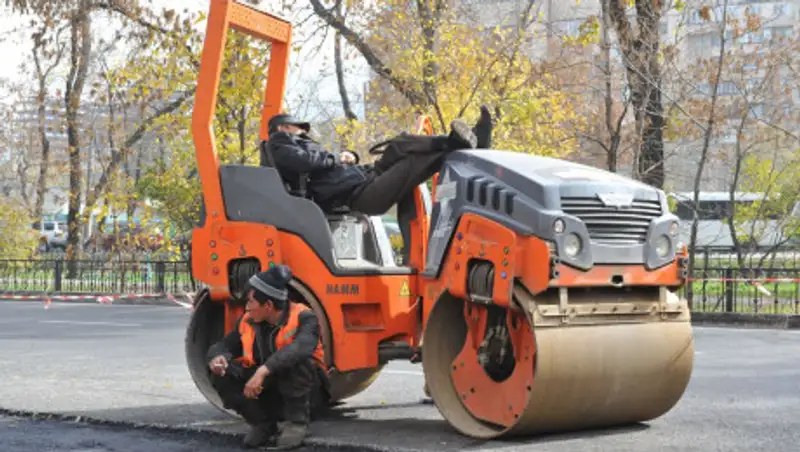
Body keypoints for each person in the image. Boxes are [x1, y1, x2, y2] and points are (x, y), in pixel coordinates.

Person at [260, 107, 493, 216]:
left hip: (365, 176)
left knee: (400, 143)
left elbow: (322, 163)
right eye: (297, 126)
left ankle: (457, 141)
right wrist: (336, 157)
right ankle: (461, 144)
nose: (302, 129)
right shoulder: (279, 144)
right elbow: (307, 162)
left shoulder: (301, 144)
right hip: (357, 196)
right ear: (282, 128)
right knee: (410, 164)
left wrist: (348, 155)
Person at [206, 264, 329, 450]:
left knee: (296, 361)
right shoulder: (248, 320)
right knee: (221, 373)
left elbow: (301, 348)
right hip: (270, 391)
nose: (247, 307)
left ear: (269, 305)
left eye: (251, 302)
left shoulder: (305, 317)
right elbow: (223, 345)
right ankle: (263, 423)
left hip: (308, 394)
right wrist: (217, 358)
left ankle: (297, 423)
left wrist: (263, 371)